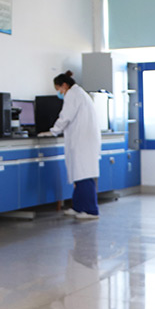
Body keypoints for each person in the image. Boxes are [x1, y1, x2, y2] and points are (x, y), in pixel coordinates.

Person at [38, 70, 101, 219]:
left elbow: (65, 117)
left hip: (83, 142)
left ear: (65, 85)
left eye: (59, 89)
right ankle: (78, 207)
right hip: (83, 140)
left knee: (84, 175)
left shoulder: (73, 94)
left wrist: (53, 131)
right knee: (79, 176)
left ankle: (91, 211)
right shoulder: (80, 93)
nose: (59, 93)